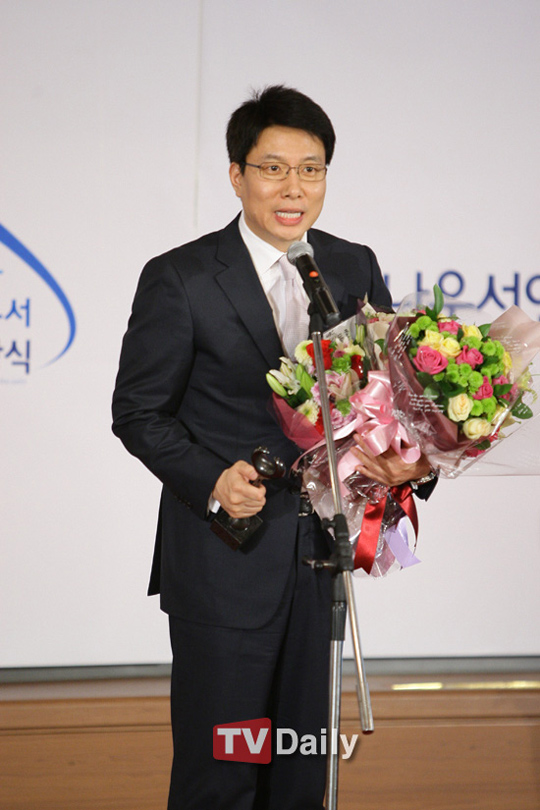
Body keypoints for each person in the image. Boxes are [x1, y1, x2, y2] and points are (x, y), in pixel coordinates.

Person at [112, 85, 435, 810]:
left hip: (321, 560)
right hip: (225, 560)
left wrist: (409, 461)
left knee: (301, 769)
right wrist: (211, 479)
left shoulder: (351, 266)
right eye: (273, 169)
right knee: (224, 769)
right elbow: (137, 410)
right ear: (237, 175)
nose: (294, 188)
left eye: (311, 170)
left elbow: (392, 399)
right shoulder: (182, 277)